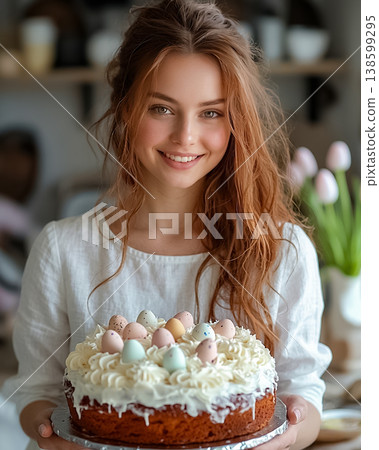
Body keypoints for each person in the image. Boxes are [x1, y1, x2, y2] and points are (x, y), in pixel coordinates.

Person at [2, 0, 331, 448]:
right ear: (125, 109)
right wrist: (49, 433)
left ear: (236, 122)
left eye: (211, 112)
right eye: (161, 108)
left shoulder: (282, 249)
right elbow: (33, 394)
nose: (185, 136)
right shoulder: (64, 250)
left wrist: (287, 436)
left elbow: (303, 393)